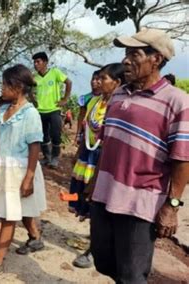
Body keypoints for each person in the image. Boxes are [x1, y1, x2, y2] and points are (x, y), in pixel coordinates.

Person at [89, 29, 189, 283]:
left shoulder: (177, 102)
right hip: (105, 194)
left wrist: (172, 206)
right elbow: (107, 142)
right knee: (103, 260)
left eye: (135, 54)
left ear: (156, 59)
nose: (125, 60)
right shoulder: (118, 94)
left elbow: (182, 160)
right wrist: (94, 181)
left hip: (139, 204)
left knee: (132, 274)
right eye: (126, 53)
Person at [0, 64, 46, 281]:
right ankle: (35, 237)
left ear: (19, 86)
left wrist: (29, 178)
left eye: (6, 84)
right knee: (19, 210)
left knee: (8, 216)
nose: (2, 88)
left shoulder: (30, 114)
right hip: (4, 168)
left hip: (20, 170)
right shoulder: (6, 110)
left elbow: (35, 147)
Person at [68, 63, 125, 269]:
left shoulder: (121, 106)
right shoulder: (95, 102)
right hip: (89, 156)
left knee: (100, 202)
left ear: (117, 83)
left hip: (107, 160)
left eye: (103, 79)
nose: (97, 82)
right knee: (87, 199)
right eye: (97, 78)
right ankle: (97, 242)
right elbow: (86, 130)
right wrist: (78, 153)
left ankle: (95, 249)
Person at [32, 52, 72, 169]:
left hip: (54, 109)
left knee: (56, 134)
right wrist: (32, 99)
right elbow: (29, 88)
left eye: (38, 61)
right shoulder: (35, 77)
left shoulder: (55, 72)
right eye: (34, 62)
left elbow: (68, 82)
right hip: (40, 111)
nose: (36, 64)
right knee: (43, 135)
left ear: (45, 62)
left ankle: (55, 157)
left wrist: (65, 99)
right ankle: (46, 157)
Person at [75, 71, 100, 144]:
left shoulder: (105, 98)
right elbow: (81, 116)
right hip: (85, 131)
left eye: (97, 79)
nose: (93, 82)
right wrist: (78, 134)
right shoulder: (85, 98)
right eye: (93, 79)